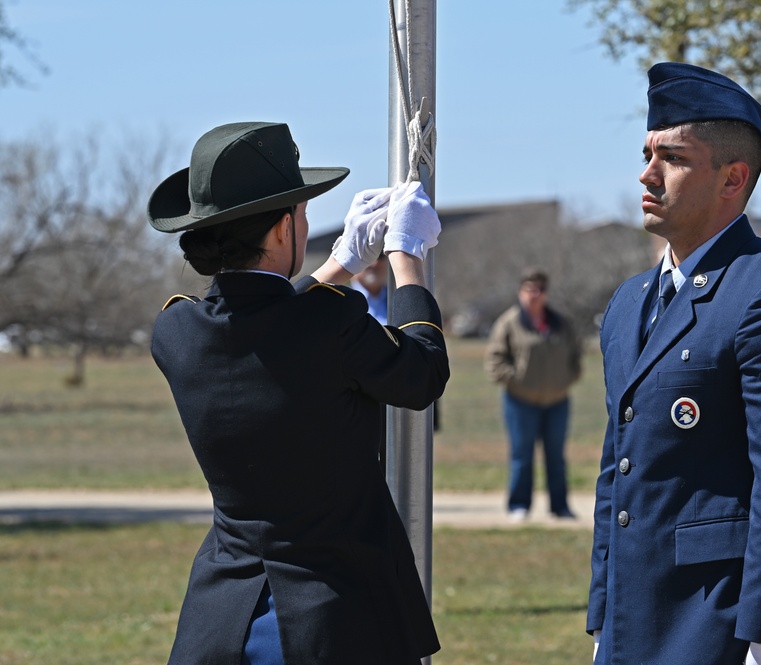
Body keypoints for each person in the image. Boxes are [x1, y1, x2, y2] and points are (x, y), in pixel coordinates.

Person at [147, 122, 448, 664]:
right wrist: (406, 257)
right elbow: (421, 372)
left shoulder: (175, 332)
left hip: (220, 621)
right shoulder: (330, 323)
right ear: (283, 230)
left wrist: (341, 266)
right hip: (334, 618)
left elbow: (268, 325)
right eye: (302, 213)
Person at [587, 63, 761, 665]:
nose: (647, 174)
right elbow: (617, 472)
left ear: (733, 178)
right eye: (647, 154)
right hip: (634, 620)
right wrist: (603, 617)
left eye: (672, 158)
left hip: (722, 625)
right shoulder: (629, 303)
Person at [485, 267, 582, 521]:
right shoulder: (509, 323)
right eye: (529, 289)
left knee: (556, 457)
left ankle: (560, 507)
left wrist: (566, 380)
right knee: (522, 456)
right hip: (520, 402)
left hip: (557, 401)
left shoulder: (560, 323)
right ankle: (519, 505)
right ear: (520, 292)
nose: (534, 295)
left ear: (546, 293)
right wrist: (517, 382)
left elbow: (576, 356)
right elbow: (495, 361)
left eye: (539, 290)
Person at [352, 253, 389, 324]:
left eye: (380, 257)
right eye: (367, 256)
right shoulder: (338, 300)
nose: (374, 264)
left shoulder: (401, 300)